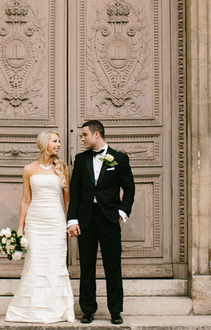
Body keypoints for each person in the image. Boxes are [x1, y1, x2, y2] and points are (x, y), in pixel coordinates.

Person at [67, 120, 135, 325]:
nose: (82, 139)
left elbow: (129, 189)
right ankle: (87, 310)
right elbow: (75, 192)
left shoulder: (120, 158)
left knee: (112, 266)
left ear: (97, 135)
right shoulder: (80, 159)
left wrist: (122, 213)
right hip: (86, 219)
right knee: (86, 266)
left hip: (109, 219)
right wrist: (72, 219)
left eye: (84, 135)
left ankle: (115, 311)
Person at [4, 131, 75, 323]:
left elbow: (67, 200)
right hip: (35, 222)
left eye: (59, 141)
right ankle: (31, 310)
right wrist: (20, 228)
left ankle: (57, 309)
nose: (58, 144)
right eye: (55, 141)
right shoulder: (28, 169)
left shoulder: (62, 168)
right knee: (35, 264)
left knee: (54, 264)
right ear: (44, 143)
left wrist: (70, 222)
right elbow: (25, 200)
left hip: (55, 222)